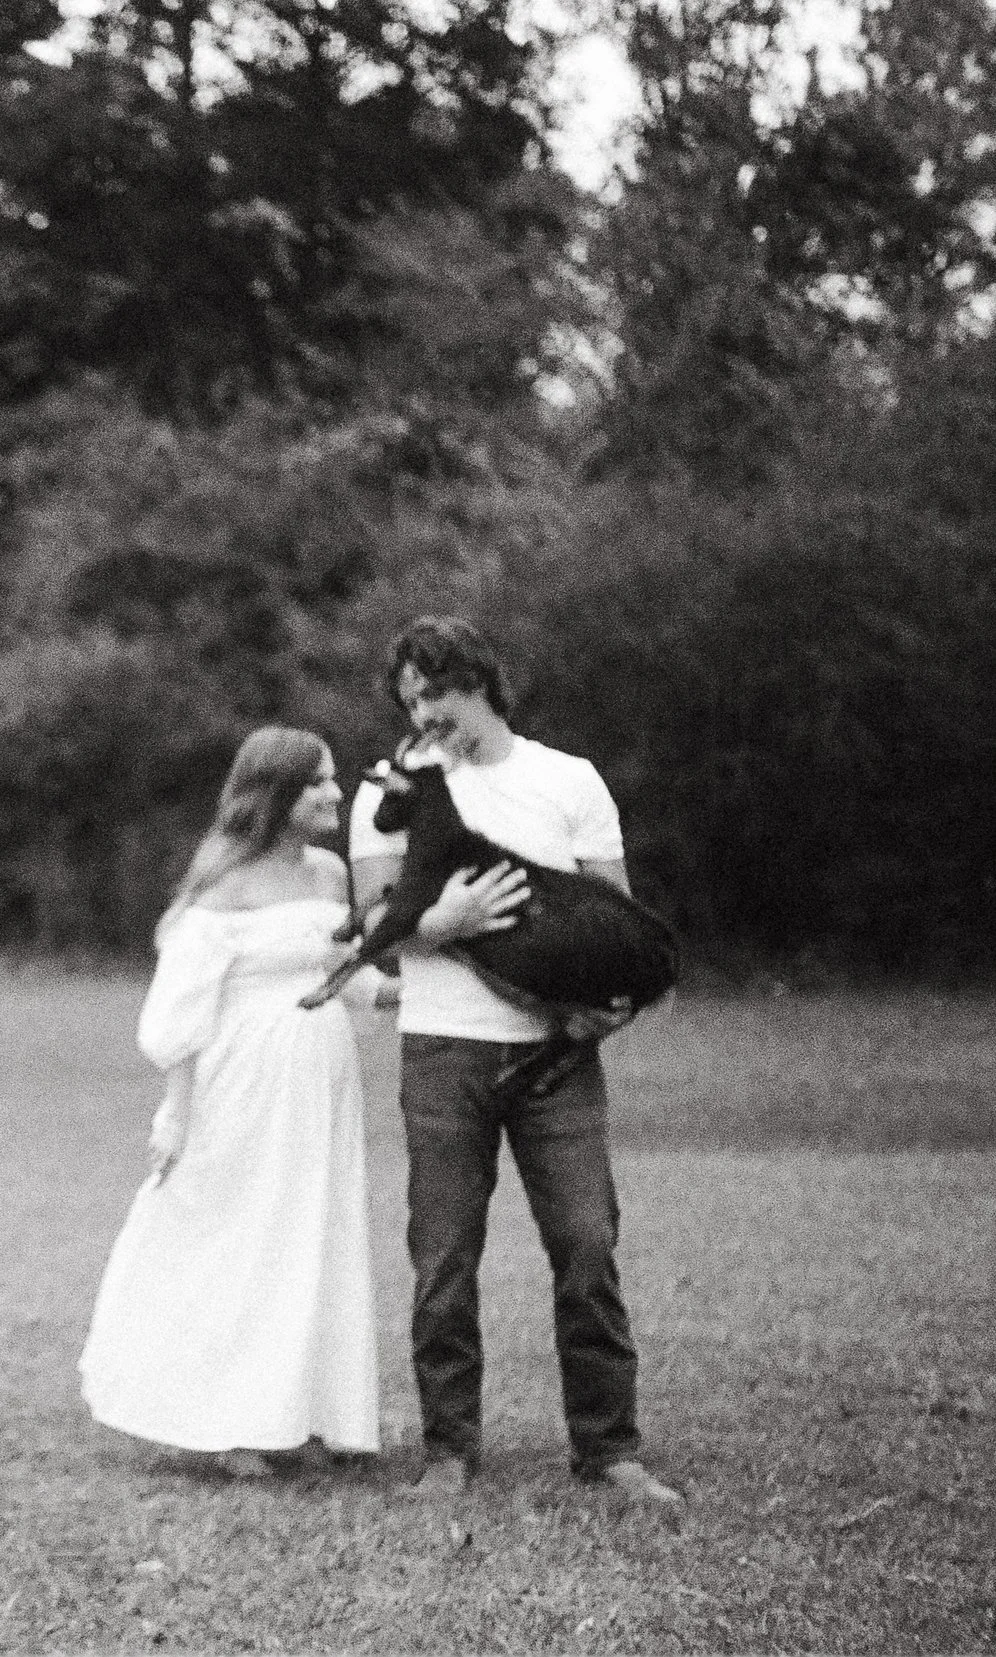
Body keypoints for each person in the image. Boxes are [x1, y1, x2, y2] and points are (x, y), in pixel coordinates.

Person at [348, 615, 681, 1505]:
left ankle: (609, 1453)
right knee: (445, 1258)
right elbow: (377, 919)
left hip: (555, 1059)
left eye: (438, 693)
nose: (425, 713)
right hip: (443, 1049)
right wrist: (439, 923)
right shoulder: (394, 788)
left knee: (585, 1245)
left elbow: (614, 921)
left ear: (481, 683)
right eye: (411, 698)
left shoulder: (567, 781)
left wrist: (600, 1007)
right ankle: (449, 1453)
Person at [79, 726, 380, 1477]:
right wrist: (175, 1113)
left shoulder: (331, 874)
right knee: (244, 1231)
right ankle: (227, 1421)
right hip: (245, 1078)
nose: (334, 794)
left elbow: (347, 969)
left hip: (323, 1075)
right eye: (316, 783)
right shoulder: (224, 885)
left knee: (313, 1229)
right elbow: (181, 1015)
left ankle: (303, 1410)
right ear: (275, 795)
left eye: (333, 779)